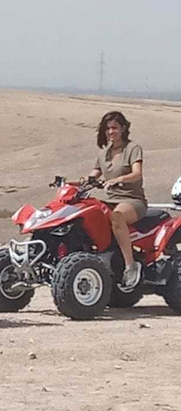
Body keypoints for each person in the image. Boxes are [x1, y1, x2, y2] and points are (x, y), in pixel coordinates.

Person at [88, 111, 146, 289]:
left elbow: (137, 174)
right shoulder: (103, 153)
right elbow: (92, 177)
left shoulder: (132, 149)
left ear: (123, 128)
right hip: (108, 199)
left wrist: (118, 180)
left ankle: (130, 266)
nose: (111, 132)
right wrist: (68, 183)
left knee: (117, 216)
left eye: (114, 128)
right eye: (108, 129)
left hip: (132, 200)